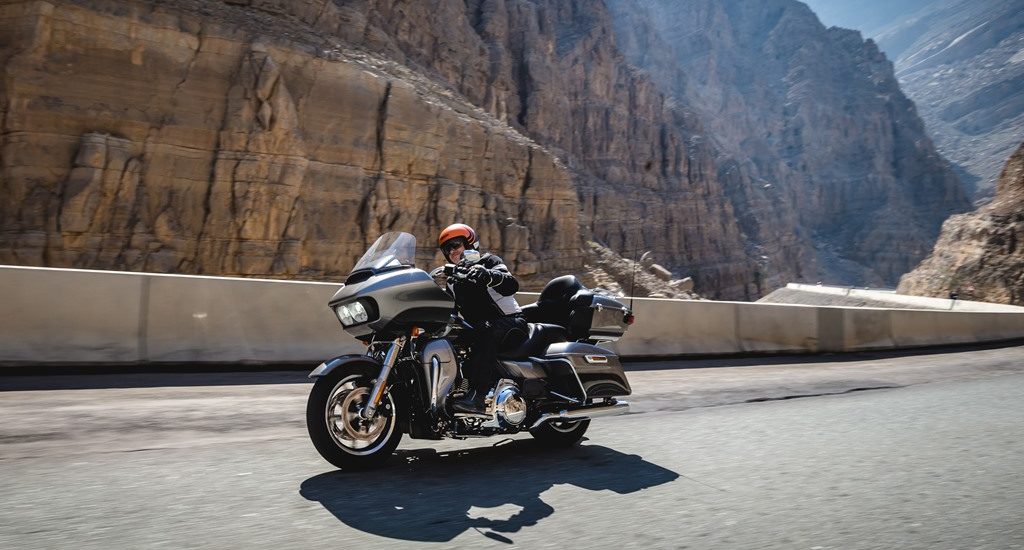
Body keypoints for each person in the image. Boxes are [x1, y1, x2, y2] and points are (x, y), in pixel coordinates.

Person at [435, 223, 528, 415]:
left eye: (456, 244)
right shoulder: (453, 281)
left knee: (485, 332)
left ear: (470, 244)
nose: (452, 250)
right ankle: (454, 392)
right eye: (447, 248)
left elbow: (511, 285)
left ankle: (478, 397)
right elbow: (450, 312)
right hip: (481, 327)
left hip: (511, 322)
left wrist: (487, 275)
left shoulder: (488, 261)